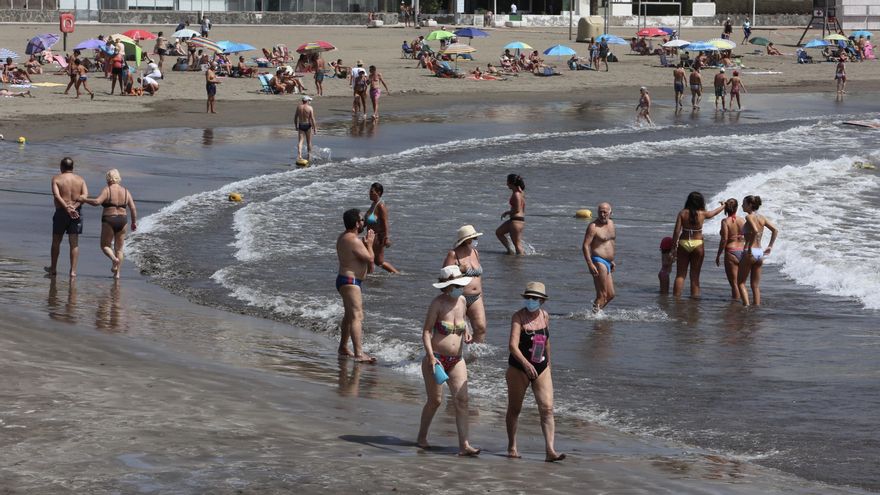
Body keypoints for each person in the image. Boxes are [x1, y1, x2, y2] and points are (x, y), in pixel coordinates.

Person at [416, 265, 480, 456]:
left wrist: (466, 330)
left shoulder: (462, 301)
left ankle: (464, 445)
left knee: (462, 400)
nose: (461, 288)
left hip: (457, 359)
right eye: (457, 285)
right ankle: (421, 436)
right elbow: (427, 332)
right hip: (437, 358)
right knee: (435, 401)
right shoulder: (437, 304)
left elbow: (461, 321)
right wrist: (430, 357)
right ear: (448, 286)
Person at [505, 281, 565, 462]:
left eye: (535, 298)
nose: (531, 301)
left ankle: (550, 450)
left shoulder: (545, 316)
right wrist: (525, 364)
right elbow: (512, 346)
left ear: (542, 301)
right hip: (519, 367)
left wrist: (549, 364)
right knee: (515, 408)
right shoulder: (518, 317)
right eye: (529, 298)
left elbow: (546, 341)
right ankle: (512, 446)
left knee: (547, 408)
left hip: (541, 366)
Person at [78, 169, 138, 279]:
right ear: (118, 178)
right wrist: (134, 222)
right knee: (119, 249)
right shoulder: (126, 191)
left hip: (109, 219)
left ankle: (114, 259)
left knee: (105, 245)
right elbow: (133, 208)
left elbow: (97, 202)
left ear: (108, 179)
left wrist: (84, 199)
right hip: (123, 220)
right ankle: (117, 274)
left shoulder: (107, 190)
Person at [336, 208, 377, 363]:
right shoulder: (353, 240)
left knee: (348, 315)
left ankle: (343, 347)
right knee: (357, 316)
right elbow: (370, 260)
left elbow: (369, 266)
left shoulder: (344, 237)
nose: (363, 222)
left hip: (345, 280)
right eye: (361, 220)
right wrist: (370, 244)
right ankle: (359, 353)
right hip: (350, 282)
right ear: (356, 223)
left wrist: (365, 244)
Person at [672, 192, 724, 298]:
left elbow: (677, 231)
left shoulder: (682, 213)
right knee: (695, 276)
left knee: (680, 275)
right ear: (701, 202)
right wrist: (724, 206)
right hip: (698, 244)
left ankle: (675, 300)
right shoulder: (702, 213)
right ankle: (694, 301)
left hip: (683, 243)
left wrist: (673, 247)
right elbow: (714, 213)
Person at [443, 225, 486, 343]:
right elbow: (444, 278)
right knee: (459, 331)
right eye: (475, 238)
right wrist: (458, 269)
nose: (476, 240)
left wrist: (481, 294)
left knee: (481, 328)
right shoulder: (453, 254)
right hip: (459, 297)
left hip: (476, 297)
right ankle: (458, 355)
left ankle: (474, 357)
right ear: (467, 240)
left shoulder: (475, 253)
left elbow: (478, 277)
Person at [48, 157, 88, 278]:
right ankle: (73, 271)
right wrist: (74, 207)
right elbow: (85, 195)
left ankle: (53, 269)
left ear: (61, 167)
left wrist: (66, 208)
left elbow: (57, 196)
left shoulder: (56, 179)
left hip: (61, 212)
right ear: (72, 167)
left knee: (56, 241)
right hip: (76, 213)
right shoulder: (80, 180)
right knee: (74, 243)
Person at [737, 195, 779, 306]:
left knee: (740, 283)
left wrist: (749, 246)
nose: (742, 205)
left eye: (744, 204)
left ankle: (746, 307)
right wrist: (770, 246)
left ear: (750, 205)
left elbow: (755, 231)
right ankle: (756, 308)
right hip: (759, 253)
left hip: (749, 252)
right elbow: (775, 230)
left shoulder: (749, 217)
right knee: (755, 286)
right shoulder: (762, 218)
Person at [582, 202, 616, 311]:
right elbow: (585, 246)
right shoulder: (593, 227)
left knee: (610, 295)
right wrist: (589, 263)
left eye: (605, 212)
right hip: (598, 261)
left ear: (611, 213)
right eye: (600, 212)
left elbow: (611, 243)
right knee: (602, 295)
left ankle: (594, 314)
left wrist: (612, 260)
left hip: (607, 262)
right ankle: (595, 318)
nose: (602, 214)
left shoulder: (611, 224)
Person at [715, 198, 746, 300]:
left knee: (734, 284)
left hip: (731, 252)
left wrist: (718, 255)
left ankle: (735, 306)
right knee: (741, 283)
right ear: (737, 208)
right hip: (743, 251)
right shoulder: (743, 220)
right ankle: (744, 304)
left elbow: (724, 239)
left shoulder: (725, 221)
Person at [364, 182, 399, 273]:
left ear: (378, 192)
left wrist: (386, 238)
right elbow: (367, 221)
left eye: (372, 191)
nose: (369, 193)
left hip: (377, 237)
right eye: (369, 191)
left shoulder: (381, 205)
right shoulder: (373, 204)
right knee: (376, 261)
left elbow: (385, 223)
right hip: (371, 237)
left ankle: (396, 274)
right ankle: (368, 275)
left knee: (376, 260)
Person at [496, 173, 526, 255]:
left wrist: (507, 212)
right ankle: (510, 251)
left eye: (507, 181)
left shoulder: (516, 194)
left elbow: (517, 209)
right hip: (517, 220)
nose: (506, 184)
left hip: (516, 221)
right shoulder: (520, 193)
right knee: (499, 232)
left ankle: (518, 263)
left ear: (511, 183)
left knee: (517, 245)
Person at [294, 95, 317, 162]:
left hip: (301, 125)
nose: (309, 102)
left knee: (300, 141)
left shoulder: (298, 107)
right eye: (309, 100)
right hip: (307, 125)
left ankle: (299, 155)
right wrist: (315, 128)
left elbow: (295, 117)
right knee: (309, 142)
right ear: (306, 101)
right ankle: (309, 156)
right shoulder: (310, 108)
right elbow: (312, 119)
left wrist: (296, 126)